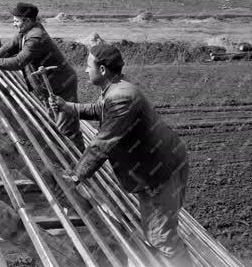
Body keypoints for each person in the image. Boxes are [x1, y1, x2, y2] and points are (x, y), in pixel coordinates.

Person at [49, 43, 193, 267]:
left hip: (160, 172)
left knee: (160, 236)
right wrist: (67, 107)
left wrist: (77, 176)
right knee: (158, 231)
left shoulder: (120, 97)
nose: (86, 70)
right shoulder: (116, 89)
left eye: (88, 66)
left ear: (103, 70)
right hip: (155, 168)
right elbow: (99, 109)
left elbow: (102, 143)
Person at [0, 2, 84, 151]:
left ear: (26, 20)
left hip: (61, 85)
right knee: (55, 121)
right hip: (47, 85)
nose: (14, 24)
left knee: (67, 127)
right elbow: (9, 47)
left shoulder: (36, 38)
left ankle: (81, 164)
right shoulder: (26, 31)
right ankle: (73, 160)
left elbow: (18, 62)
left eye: (16, 20)